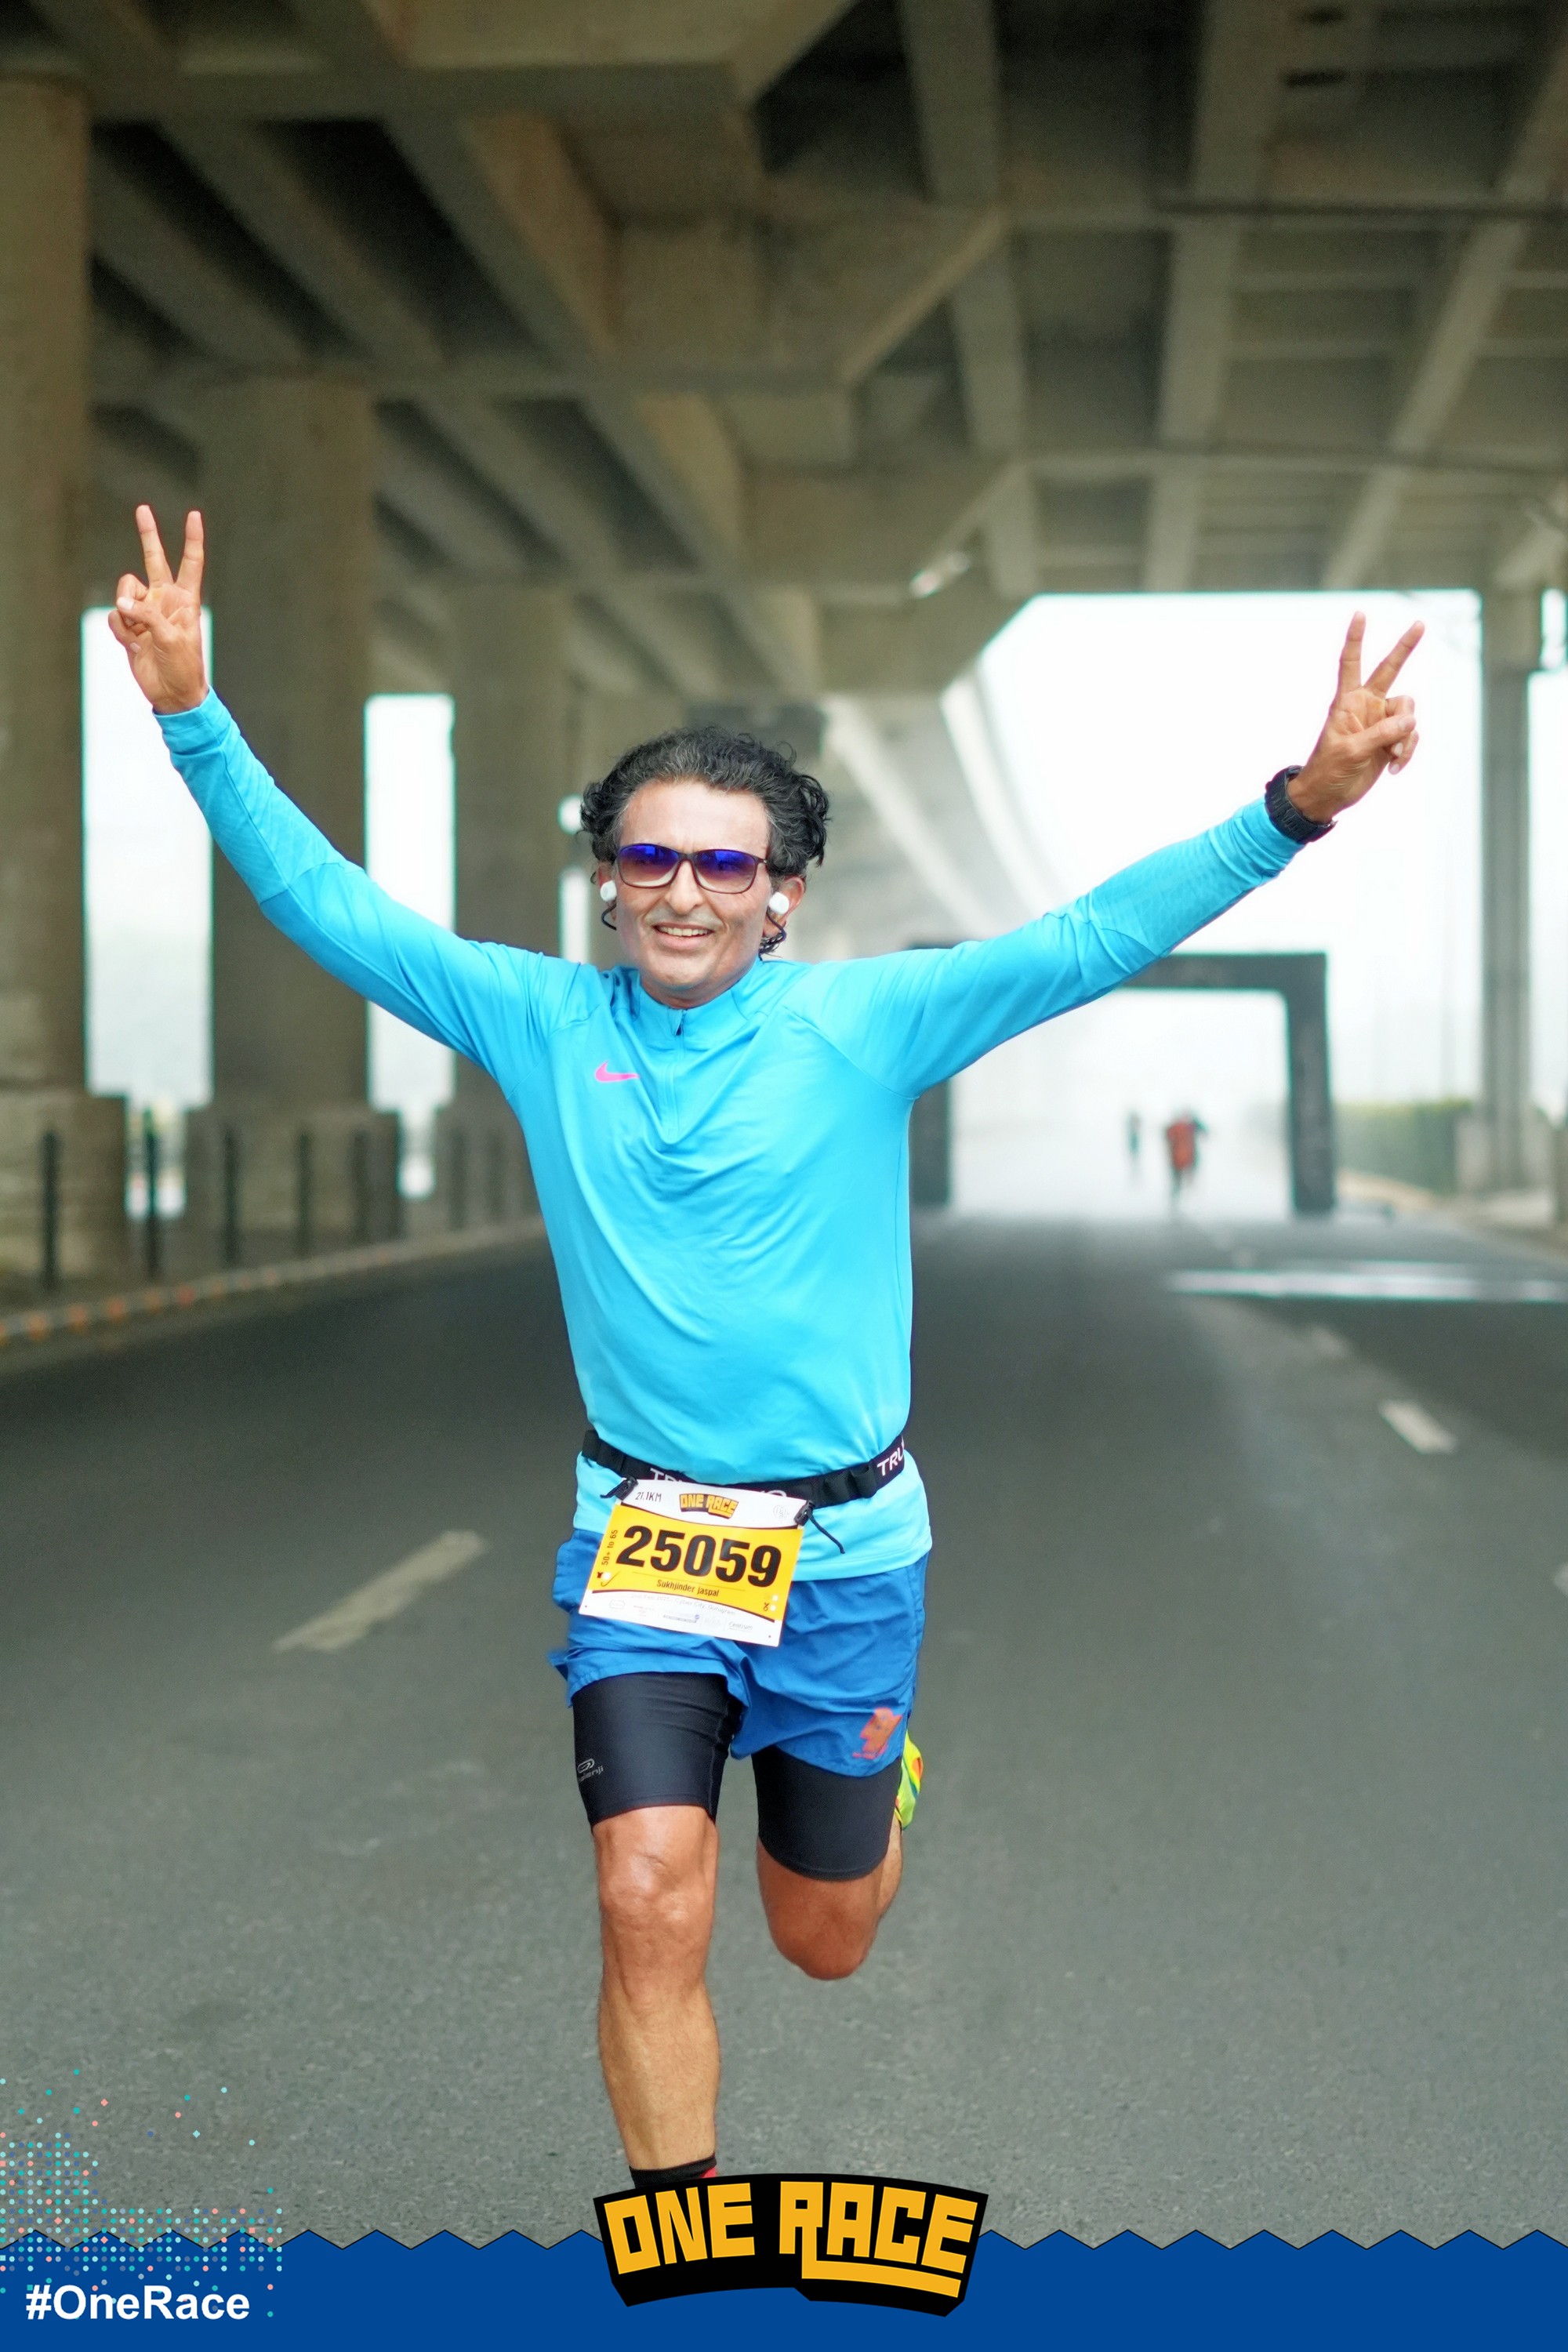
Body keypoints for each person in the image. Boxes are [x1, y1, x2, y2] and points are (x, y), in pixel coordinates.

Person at [109, 506, 1421, 2194]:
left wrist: (1299, 806)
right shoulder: (540, 1019)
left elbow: (1088, 940)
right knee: (647, 1893)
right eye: (649, 858)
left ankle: (878, 1787)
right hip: (647, 1542)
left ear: (783, 898)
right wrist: (192, 713)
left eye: (725, 867)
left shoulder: (867, 1024)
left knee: (824, 1937)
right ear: (606, 879)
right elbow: (326, 903)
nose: (683, 890)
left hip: (848, 1551)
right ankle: (690, 2248)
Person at [1163, 1109, 1208, 1205]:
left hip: (1179, 1159)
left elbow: (1167, 1136)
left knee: (1178, 1182)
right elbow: (1203, 1130)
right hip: (1184, 1159)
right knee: (1182, 1181)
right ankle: (1182, 1199)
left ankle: (1178, 1199)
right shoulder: (1187, 1127)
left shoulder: (1176, 1128)